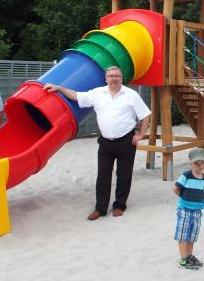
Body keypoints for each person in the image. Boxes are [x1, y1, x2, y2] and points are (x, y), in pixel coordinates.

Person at [43, 66, 151, 220]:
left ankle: (119, 206)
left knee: (124, 175)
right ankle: (100, 208)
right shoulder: (97, 93)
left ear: (121, 78)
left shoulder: (131, 95)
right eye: (111, 76)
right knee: (103, 175)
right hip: (105, 142)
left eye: (117, 76)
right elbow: (76, 96)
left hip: (126, 141)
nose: (114, 78)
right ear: (106, 78)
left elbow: (145, 115)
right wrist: (59, 88)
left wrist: (140, 134)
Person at [173, 147, 204, 270]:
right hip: (184, 209)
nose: (200, 166)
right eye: (197, 163)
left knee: (192, 235)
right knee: (183, 235)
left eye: (202, 162)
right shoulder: (186, 176)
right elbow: (175, 188)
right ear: (191, 164)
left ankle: (189, 256)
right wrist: (184, 198)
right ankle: (183, 260)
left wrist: (199, 198)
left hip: (197, 211)